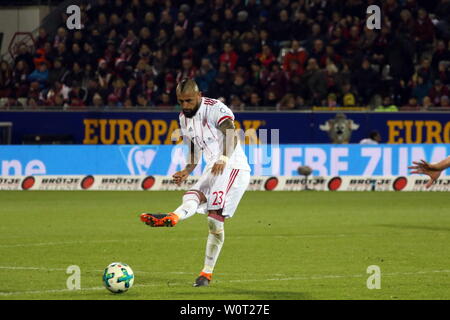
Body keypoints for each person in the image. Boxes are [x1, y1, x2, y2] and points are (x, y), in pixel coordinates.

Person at [139, 79, 251, 287]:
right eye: (181, 101)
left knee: (214, 219)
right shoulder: (184, 118)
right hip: (214, 167)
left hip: (234, 166)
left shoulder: (216, 108)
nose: (185, 106)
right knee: (192, 195)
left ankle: (206, 273)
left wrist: (224, 158)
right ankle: (173, 217)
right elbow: (192, 146)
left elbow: (231, 134)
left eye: (189, 101)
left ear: (199, 96)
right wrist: (187, 169)